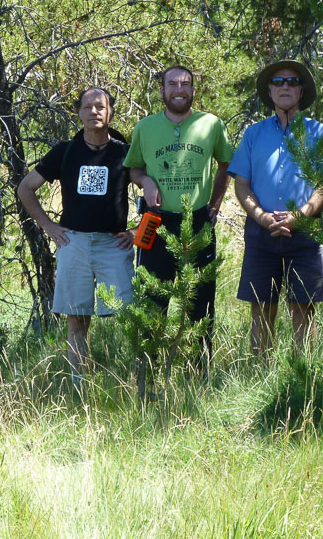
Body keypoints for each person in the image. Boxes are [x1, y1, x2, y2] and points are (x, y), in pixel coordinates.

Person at [17, 87, 135, 387]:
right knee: (77, 316)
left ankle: (133, 380)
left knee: (129, 315)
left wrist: (137, 231)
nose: (94, 112)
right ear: (79, 113)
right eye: (88, 107)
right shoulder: (65, 151)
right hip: (74, 244)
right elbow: (26, 188)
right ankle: (78, 384)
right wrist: (49, 226)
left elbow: (152, 188)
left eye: (100, 107)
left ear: (110, 112)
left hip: (113, 245)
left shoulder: (125, 152)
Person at [228, 60, 323, 355]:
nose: (285, 87)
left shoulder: (322, 134)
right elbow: (241, 184)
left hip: (304, 233)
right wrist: (262, 217)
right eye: (278, 82)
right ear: (270, 91)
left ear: (301, 91)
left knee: (303, 308)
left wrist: (300, 215)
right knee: (261, 308)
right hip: (261, 233)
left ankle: (301, 376)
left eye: (292, 82)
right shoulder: (254, 134)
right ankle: (260, 375)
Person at [124, 65, 233, 361]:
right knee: (151, 301)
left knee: (201, 301)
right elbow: (133, 167)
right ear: (162, 91)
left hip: (197, 220)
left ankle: (200, 371)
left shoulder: (211, 124)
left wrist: (215, 204)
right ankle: (148, 369)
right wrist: (145, 181)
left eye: (186, 84)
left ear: (194, 91)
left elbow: (225, 165)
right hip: (156, 222)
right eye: (172, 84)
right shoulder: (145, 127)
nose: (179, 89)